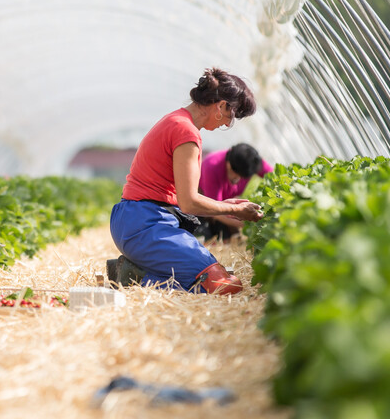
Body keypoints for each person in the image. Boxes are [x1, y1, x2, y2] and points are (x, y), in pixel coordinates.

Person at [109, 68, 263, 294]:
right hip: (145, 224)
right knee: (225, 286)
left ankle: (133, 274)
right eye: (232, 116)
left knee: (210, 278)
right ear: (220, 106)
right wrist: (236, 211)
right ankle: (138, 279)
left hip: (135, 221)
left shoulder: (176, 120)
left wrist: (228, 205)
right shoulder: (186, 132)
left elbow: (183, 198)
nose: (228, 123)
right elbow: (189, 202)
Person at [196, 143, 273, 241]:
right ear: (228, 164)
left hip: (227, 204)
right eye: (236, 175)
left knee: (232, 236)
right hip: (205, 203)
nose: (238, 179)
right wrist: (247, 224)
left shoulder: (251, 162)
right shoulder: (212, 166)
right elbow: (215, 210)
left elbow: (274, 176)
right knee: (209, 236)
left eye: (243, 177)